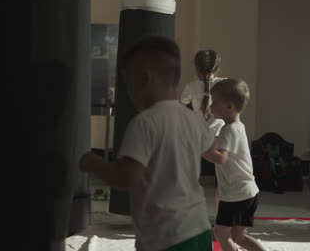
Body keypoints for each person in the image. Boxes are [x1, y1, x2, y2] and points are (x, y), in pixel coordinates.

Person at [79, 36, 214, 251]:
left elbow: (126, 177)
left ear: (144, 78)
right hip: (200, 229)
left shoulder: (144, 122)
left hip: (167, 237)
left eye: (127, 83)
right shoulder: (193, 119)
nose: (128, 91)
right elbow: (210, 149)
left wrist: (90, 162)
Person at [202, 79, 267, 251]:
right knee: (238, 236)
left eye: (214, 102)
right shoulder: (237, 127)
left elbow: (221, 158)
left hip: (235, 196)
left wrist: (200, 150)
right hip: (248, 192)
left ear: (229, 106)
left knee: (220, 234)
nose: (211, 106)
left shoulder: (229, 130)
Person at [180, 49, 226, 216]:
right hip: (221, 136)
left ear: (196, 69)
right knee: (224, 183)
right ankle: (222, 221)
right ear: (217, 67)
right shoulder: (225, 84)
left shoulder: (190, 87)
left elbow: (183, 108)